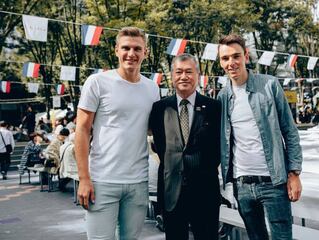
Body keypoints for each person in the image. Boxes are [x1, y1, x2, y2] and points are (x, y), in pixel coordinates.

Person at [75, 26, 160, 240]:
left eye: (137, 49)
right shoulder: (98, 82)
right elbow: (82, 130)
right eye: (126, 48)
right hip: (102, 180)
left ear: (145, 52)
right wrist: (84, 178)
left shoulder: (152, 89)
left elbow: (151, 129)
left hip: (138, 182)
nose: (131, 54)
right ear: (116, 50)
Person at [217, 34, 303, 240]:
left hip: (274, 182)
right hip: (242, 185)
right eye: (225, 58)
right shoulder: (222, 97)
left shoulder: (270, 86)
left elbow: (289, 131)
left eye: (236, 56)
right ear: (220, 62)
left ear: (246, 56)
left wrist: (294, 173)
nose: (231, 63)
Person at [150, 53, 221, 240]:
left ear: (198, 75)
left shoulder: (214, 108)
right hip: (171, 190)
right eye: (179, 72)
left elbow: (220, 147)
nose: (184, 76)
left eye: (189, 72)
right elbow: (158, 146)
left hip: (205, 191)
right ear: (172, 76)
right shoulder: (159, 109)